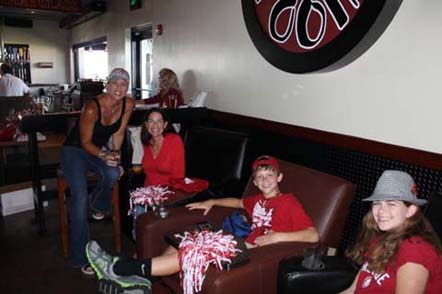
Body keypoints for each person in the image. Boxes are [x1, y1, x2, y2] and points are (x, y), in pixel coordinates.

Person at [86, 155, 320, 288]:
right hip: (237, 242)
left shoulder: (288, 202)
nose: (265, 179)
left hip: (253, 251)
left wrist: (277, 237)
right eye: (260, 177)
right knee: (186, 239)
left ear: (279, 177)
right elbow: (238, 203)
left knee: (193, 253)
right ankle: (139, 279)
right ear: (256, 182)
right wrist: (212, 203)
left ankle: (120, 268)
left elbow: (313, 235)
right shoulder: (257, 199)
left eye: (270, 175)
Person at [62, 67, 134, 275]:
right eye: (115, 83)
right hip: (75, 150)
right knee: (80, 197)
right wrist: (105, 156)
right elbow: (85, 142)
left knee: (113, 174)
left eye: (124, 84)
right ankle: (79, 257)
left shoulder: (128, 104)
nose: (119, 88)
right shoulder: (92, 107)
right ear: (107, 84)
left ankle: (99, 206)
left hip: (98, 150)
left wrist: (116, 157)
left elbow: (119, 134)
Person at [341, 170, 442, 293]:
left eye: (391, 204)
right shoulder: (380, 238)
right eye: (377, 203)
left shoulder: (415, 251)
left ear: (410, 211)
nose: (381, 211)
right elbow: (353, 290)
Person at [131, 107, 185, 238]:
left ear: (165, 124)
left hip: (167, 197)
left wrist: (160, 200)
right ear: (146, 124)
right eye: (151, 121)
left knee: (149, 231)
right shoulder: (146, 142)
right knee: (137, 230)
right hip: (147, 195)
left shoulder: (174, 141)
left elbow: (179, 177)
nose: (155, 125)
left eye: (159, 121)